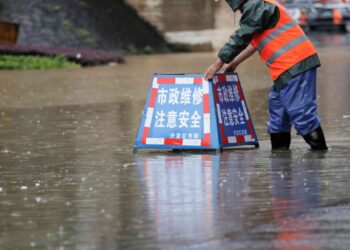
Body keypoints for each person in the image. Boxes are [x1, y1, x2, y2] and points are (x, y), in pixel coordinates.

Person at [204, 0, 328, 150]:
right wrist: (233, 63)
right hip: (284, 71)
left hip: (296, 64)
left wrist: (219, 62)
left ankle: (320, 157)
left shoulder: (256, 5)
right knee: (278, 117)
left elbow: (241, 36)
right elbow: (254, 42)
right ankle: (279, 161)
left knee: (302, 115)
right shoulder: (257, 8)